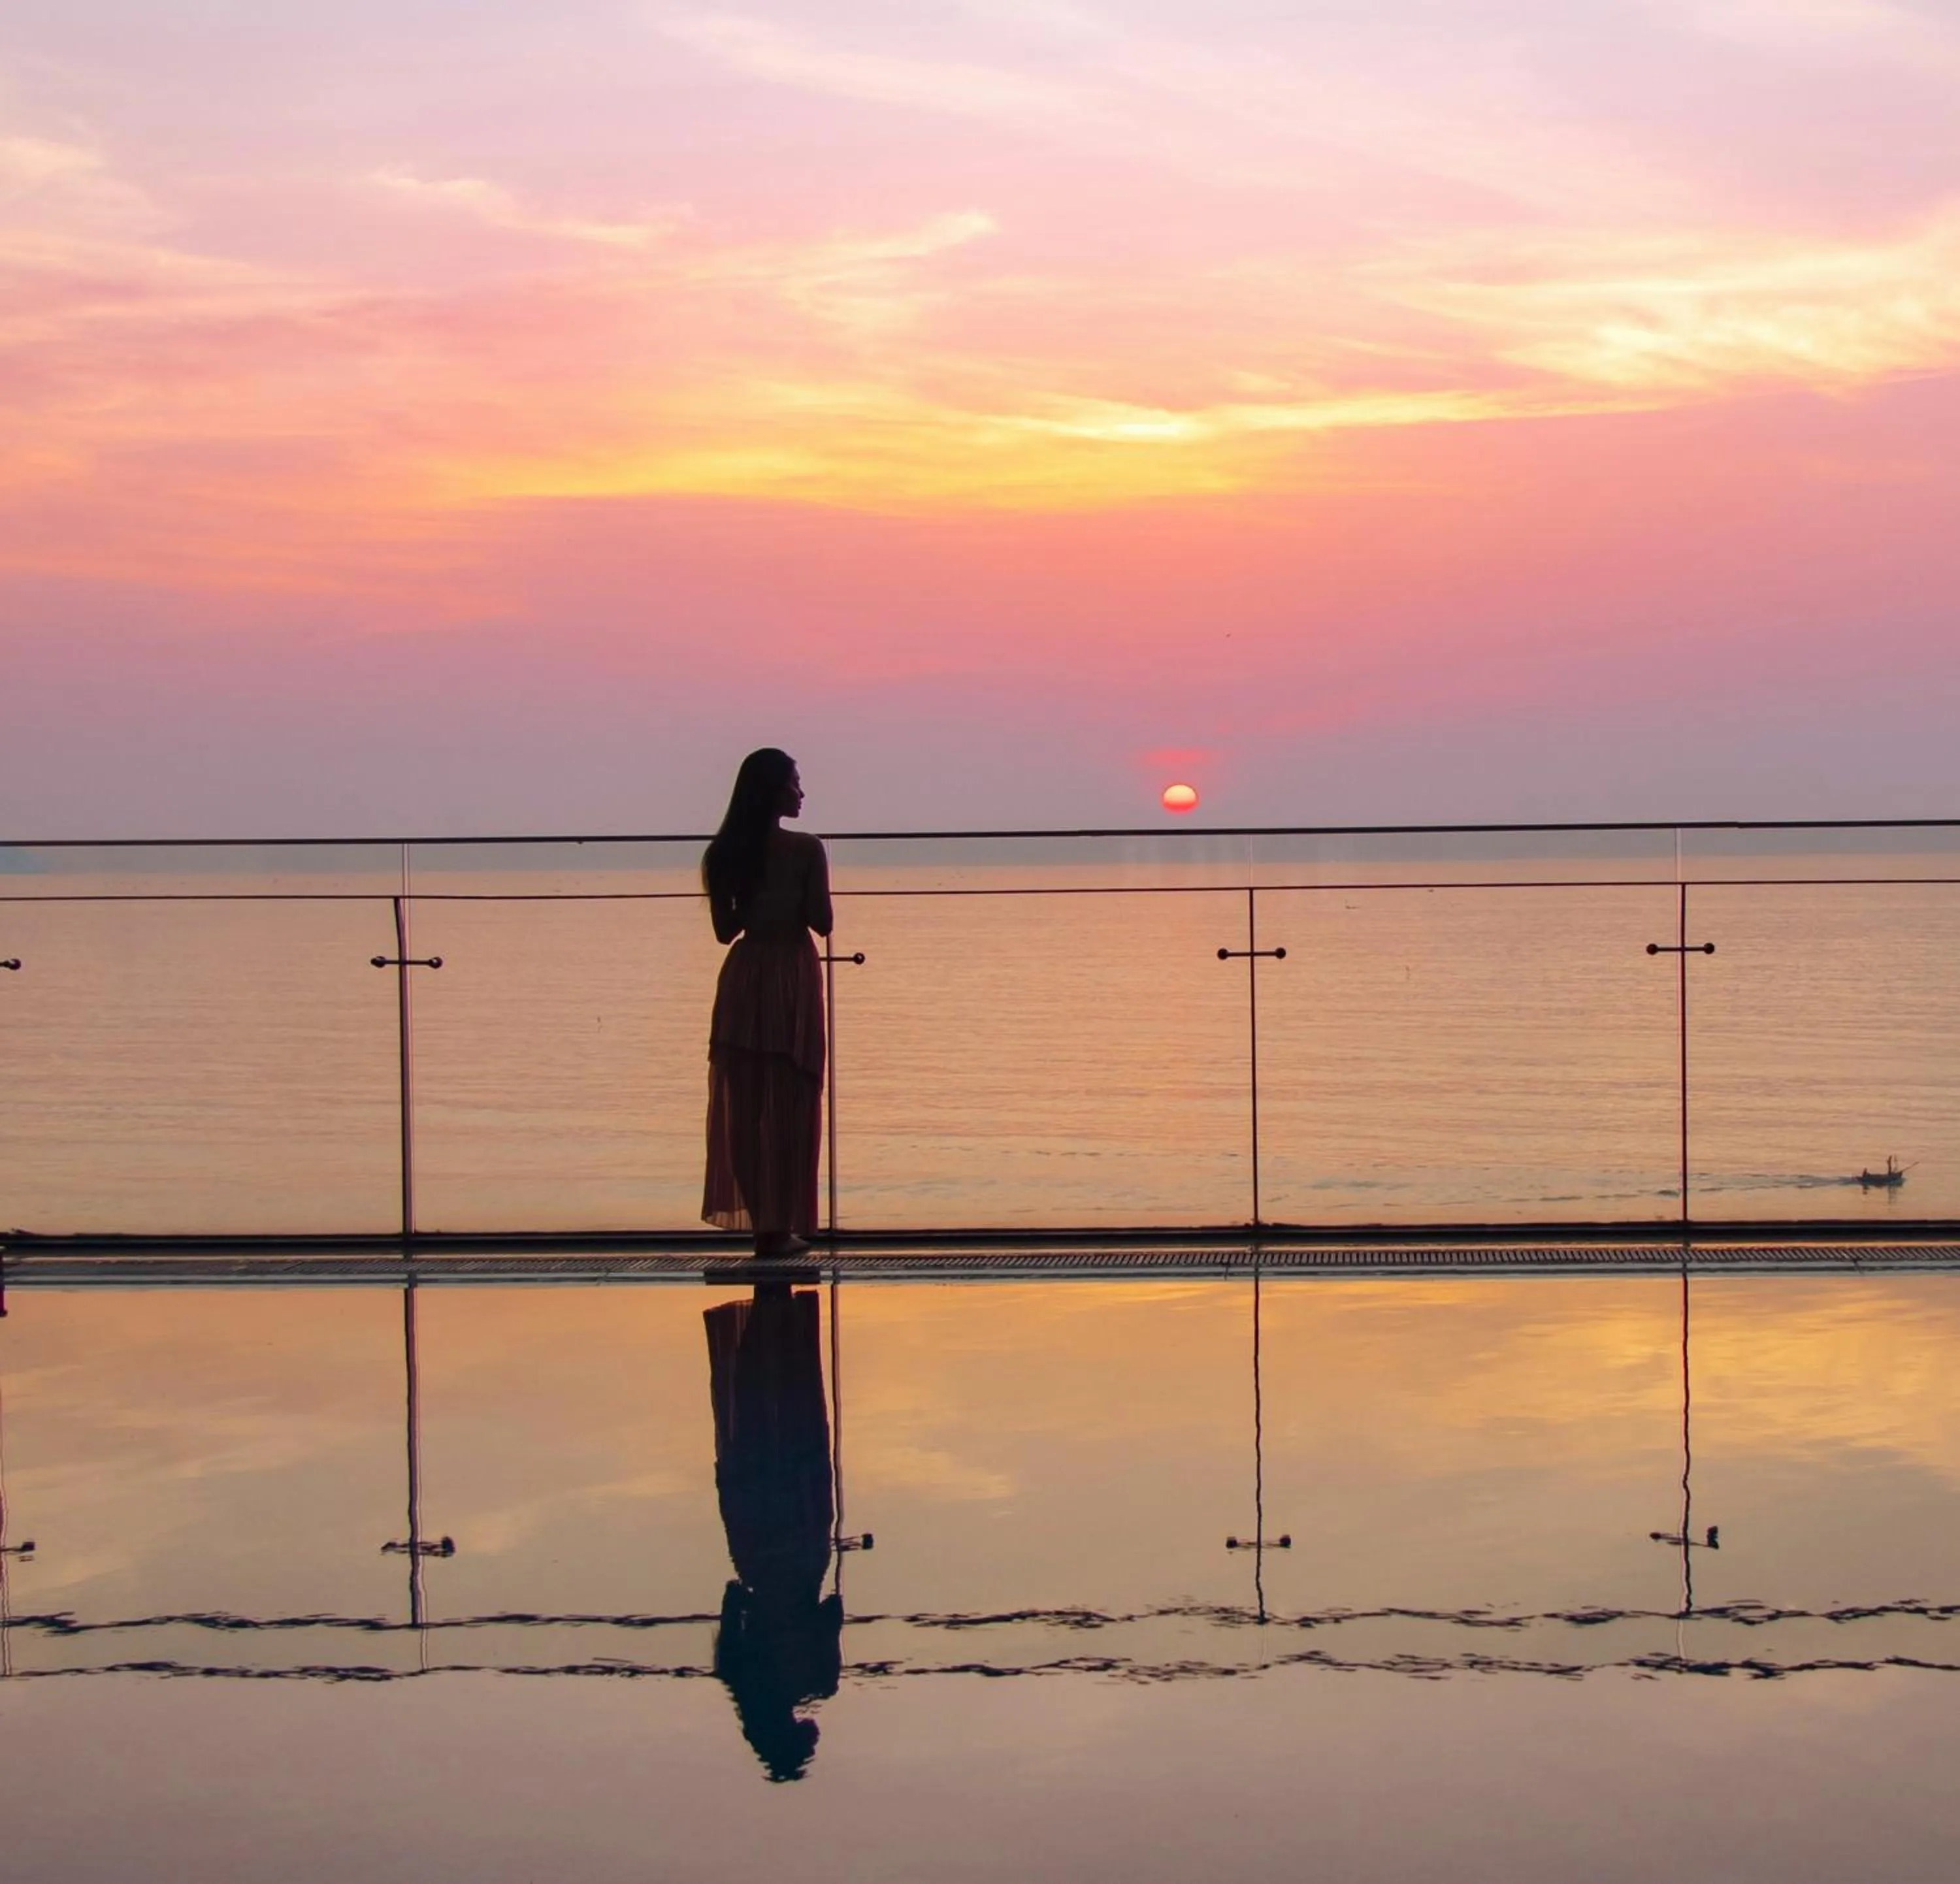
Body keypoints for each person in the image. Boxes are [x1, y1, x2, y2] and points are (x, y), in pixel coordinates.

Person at [704, 1286, 843, 1781]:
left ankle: (778, 1317)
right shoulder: (742, 1677)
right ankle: (771, 1317)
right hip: (760, 1551)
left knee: (794, 1434)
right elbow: (731, 1597)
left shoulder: (819, 1680)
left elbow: (832, 1613)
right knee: (757, 1437)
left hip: (801, 1551)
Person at [702, 748, 832, 1256]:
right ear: (774, 790)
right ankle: (781, 1228)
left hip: (745, 975)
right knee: (793, 1102)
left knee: (747, 1107)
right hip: (790, 976)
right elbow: (822, 922)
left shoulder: (723, 854)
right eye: (795, 784)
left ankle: (765, 1230)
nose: (801, 793)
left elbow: (723, 930)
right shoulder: (806, 849)